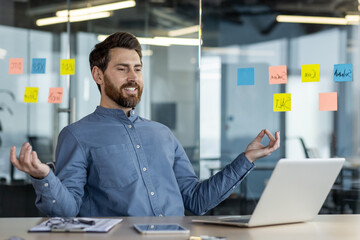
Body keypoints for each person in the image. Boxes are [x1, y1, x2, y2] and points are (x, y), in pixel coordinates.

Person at [10, 32, 280, 217]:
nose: (133, 77)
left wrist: (247, 158)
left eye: (138, 69)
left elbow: (196, 201)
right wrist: (43, 176)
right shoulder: (77, 135)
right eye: (122, 68)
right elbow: (67, 210)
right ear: (98, 75)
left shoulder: (162, 134)